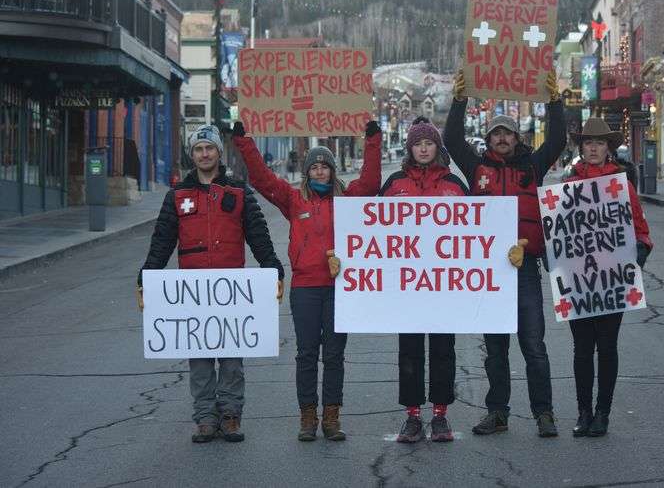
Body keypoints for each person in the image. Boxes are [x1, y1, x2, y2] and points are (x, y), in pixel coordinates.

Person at [231, 120, 382, 442]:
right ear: (306, 171)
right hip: (305, 288)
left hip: (341, 287)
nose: (318, 172)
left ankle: (331, 416)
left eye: (323, 166)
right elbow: (261, 178)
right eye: (313, 167)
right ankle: (307, 417)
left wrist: (373, 140)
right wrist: (244, 141)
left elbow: (370, 182)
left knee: (335, 354)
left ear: (332, 169)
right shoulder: (292, 199)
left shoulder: (348, 198)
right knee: (306, 353)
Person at [136, 124, 285, 444]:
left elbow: (258, 236)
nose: (204, 154)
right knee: (200, 358)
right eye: (198, 149)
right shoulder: (177, 196)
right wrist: (147, 274)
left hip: (231, 293)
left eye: (210, 148)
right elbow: (162, 241)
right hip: (193, 294)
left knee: (232, 356)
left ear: (219, 152)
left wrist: (272, 266)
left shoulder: (239, 192)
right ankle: (205, 417)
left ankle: (230, 415)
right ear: (192, 155)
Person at [444, 70, 566, 438]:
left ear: (516, 138)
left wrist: (555, 101)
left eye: (507, 133)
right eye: (496, 133)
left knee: (533, 345)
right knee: (495, 350)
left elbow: (558, 139)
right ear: (490, 139)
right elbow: (451, 138)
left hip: (525, 269)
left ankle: (544, 413)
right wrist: (459, 99)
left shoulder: (533, 166)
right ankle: (497, 412)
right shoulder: (475, 167)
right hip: (489, 272)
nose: (501, 138)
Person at [377, 117, 469, 443]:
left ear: (437, 147)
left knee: (444, 349)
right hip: (407, 286)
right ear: (411, 148)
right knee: (410, 351)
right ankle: (413, 416)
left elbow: (477, 232)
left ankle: (440, 415)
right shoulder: (394, 184)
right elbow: (373, 231)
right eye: (418, 144)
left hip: (445, 286)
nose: (424, 148)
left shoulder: (455, 185)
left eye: (429, 143)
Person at [563, 118, 653, 437]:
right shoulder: (568, 184)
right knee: (581, 349)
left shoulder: (621, 184)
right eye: (588, 142)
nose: (593, 148)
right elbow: (558, 232)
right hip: (577, 279)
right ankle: (583, 412)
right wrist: (551, 254)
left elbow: (640, 229)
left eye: (599, 143)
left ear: (608, 149)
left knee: (608, 347)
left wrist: (639, 254)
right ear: (581, 147)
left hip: (611, 278)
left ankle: (603, 413)